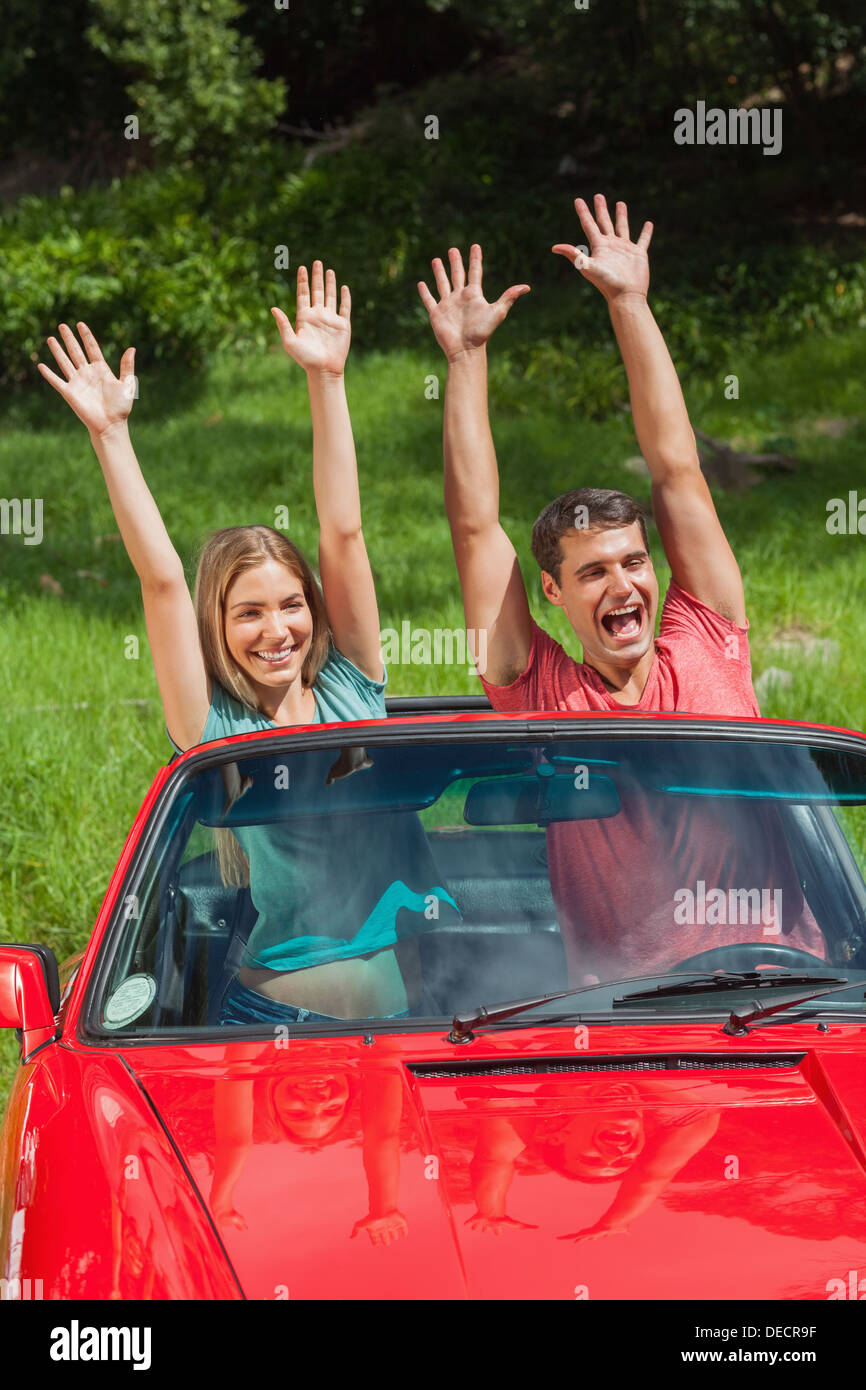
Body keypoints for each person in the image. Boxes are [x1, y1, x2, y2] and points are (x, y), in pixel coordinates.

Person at [418, 195, 826, 979]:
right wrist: (466, 360)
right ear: (552, 592)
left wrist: (630, 303)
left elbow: (676, 466)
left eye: (634, 562)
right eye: (595, 572)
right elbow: (475, 530)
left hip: (781, 992)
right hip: (619, 1025)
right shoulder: (539, 691)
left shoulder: (705, 635)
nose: (625, 584)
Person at [38, 263, 454, 1025]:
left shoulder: (351, 686)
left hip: (406, 996)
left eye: (293, 604)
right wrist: (110, 435)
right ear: (218, 630)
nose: (278, 630)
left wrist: (328, 380)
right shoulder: (217, 729)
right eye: (249, 614)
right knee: (368, 1001)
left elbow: (344, 529)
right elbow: (163, 581)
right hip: (286, 1009)